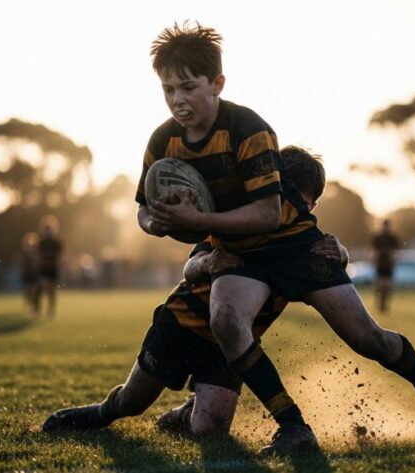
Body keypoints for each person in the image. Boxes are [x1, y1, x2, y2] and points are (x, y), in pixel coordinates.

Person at [135, 23, 415, 453]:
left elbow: (270, 215)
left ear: (217, 84)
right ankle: (294, 426)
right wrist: (155, 220)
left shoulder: (248, 129)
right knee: (227, 320)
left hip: (294, 247)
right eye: (167, 89)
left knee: (368, 338)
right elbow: (146, 213)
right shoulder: (164, 140)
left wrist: (202, 217)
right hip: (241, 255)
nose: (177, 99)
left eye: (187, 87)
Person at [43, 145, 346, 452]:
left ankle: (187, 411)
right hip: (182, 323)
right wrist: (209, 263)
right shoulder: (237, 225)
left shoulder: (306, 246)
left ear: (313, 206)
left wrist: (342, 254)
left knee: (209, 431)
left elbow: (323, 275)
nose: (287, 210)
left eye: (300, 204)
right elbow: (191, 267)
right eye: (281, 199)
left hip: (228, 347)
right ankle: (101, 412)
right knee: (132, 402)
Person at [369, 219, 400, 314]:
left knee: (388, 286)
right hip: (380, 264)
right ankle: (379, 303)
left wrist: (394, 258)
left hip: (389, 265)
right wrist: (373, 259)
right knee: (381, 284)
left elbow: (396, 251)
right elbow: (372, 250)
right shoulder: (377, 237)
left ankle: (385, 304)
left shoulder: (393, 238)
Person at [36, 216, 63, 318]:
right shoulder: (41, 242)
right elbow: (38, 255)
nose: (48, 231)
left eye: (50, 229)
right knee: (42, 286)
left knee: (52, 290)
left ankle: (51, 310)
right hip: (44, 268)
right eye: (46, 229)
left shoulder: (57, 242)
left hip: (53, 268)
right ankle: (37, 307)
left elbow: (61, 255)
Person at [20, 232, 40, 315]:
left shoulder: (37, 251)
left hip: (35, 273)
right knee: (28, 290)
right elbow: (22, 263)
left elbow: (38, 262)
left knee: (34, 290)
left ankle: (35, 306)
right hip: (27, 273)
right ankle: (31, 302)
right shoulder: (24, 252)